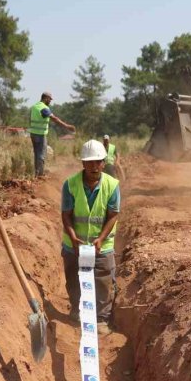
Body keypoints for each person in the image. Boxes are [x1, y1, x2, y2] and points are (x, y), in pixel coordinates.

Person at [61, 140, 120, 335]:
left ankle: (101, 318)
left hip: (102, 243)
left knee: (103, 280)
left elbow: (113, 215)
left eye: (98, 162)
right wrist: (73, 238)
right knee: (73, 279)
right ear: (83, 164)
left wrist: (101, 239)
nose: (94, 166)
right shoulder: (70, 184)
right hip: (74, 243)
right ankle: (77, 309)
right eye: (89, 162)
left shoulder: (112, 185)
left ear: (104, 163)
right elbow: (66, 214)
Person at [29, 92, 76, 177]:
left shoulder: (35, 106)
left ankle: (37, 173)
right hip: (40, 135)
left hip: (33, 133)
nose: (50, 101)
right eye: (50, 99)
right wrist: (67, 126)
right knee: (41, 155)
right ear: (45, 98)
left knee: (37, 154)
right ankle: (40, 175)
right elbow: (54, 118)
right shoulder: (43, 108)